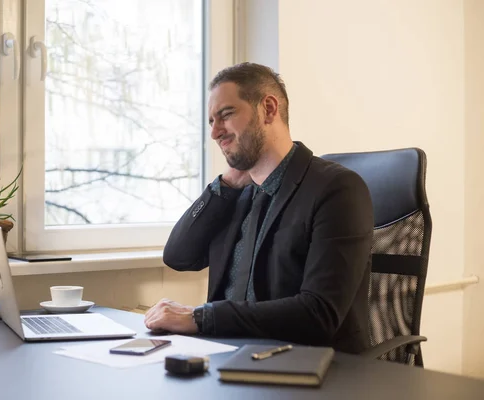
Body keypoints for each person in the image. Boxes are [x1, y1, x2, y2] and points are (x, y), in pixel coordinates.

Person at [144, 62, 373, 354]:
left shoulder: (337, 189)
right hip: (229, 357)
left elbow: (319, 313)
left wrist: (202, 317)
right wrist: (223, 187)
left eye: (226, 115)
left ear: (268, 109)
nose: (215, 132)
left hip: (305, 368)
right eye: (211, 121)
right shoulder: (237, 195)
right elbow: (178, 256)